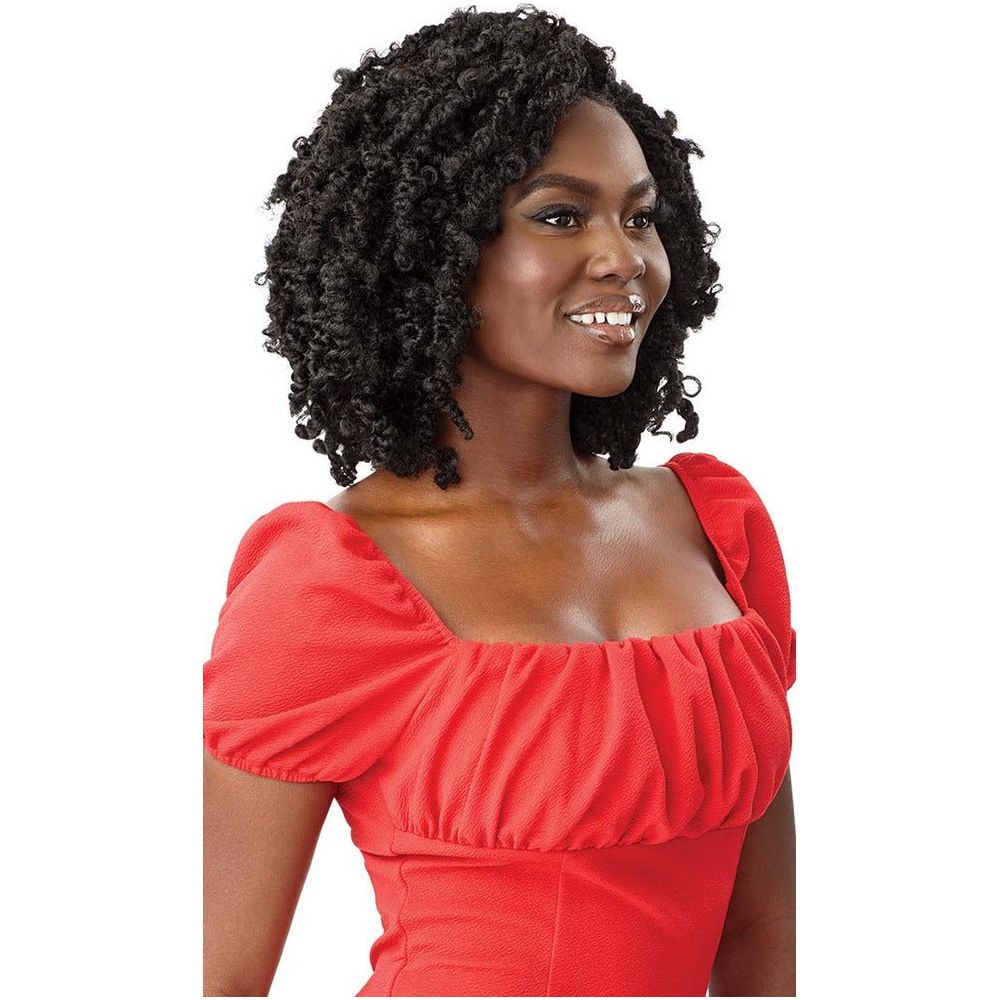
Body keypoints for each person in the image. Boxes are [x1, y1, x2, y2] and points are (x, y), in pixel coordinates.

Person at [203, 5, 796, 996]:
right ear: (435, 252)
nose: (626, 258)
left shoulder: (714, 527)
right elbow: (219, 978)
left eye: (640, 216)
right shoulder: (329, 584)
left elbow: (760, 931)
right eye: (561, 216)